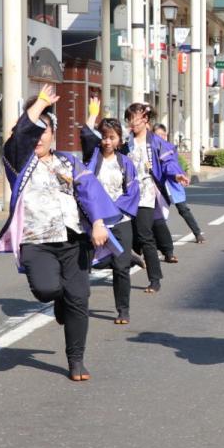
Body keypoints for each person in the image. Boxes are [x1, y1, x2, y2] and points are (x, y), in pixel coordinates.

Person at [0, 85, 119, 381]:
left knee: (80, 297)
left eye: (44, 131)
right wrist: (40, 105)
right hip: (37, 240)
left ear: (53, 135)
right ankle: (58, 298)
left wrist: (99, 222)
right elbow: (20, 135)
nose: (38, 137)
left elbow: (89, 193)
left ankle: (76, 361)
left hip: (74, 240)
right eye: (33, 131)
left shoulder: (67, 162)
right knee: (47, 290)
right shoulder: (19, 162)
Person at [80, 104, 139, 326]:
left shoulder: (126, 163)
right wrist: (92, 115)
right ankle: (78, 306)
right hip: (94, 220)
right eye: (104, 136)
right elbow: (86, 134)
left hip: (120, 219)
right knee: (85, 265)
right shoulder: (92, 157)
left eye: (112, 137)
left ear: (119, 140)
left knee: (121, 267)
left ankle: (123, 310)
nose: (107, 141)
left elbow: (132, 192)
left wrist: (113, 211)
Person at [123, 103, 188, 293]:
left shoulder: (156, 143)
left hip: (146, 194)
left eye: (133, 118)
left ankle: (155, 278)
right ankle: (129, 263)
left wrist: (177, 175)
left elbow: (168, 163)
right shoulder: (126, 143)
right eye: (128, 118)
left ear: (145, 119)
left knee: (145, 235)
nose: (130, 122)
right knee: (127, 236)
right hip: (126, 195)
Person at [154, 124, 205, 246]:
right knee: (157, 213)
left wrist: (178, 175)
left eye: (162, 135)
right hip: (158, 184)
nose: (160, 138)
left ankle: (197, 233)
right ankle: (158, 240)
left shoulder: (170, 149)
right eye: (157, 135)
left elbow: (172, 165)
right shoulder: (151, 150)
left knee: (183, 209)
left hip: (172, 182)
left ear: (165, 136)